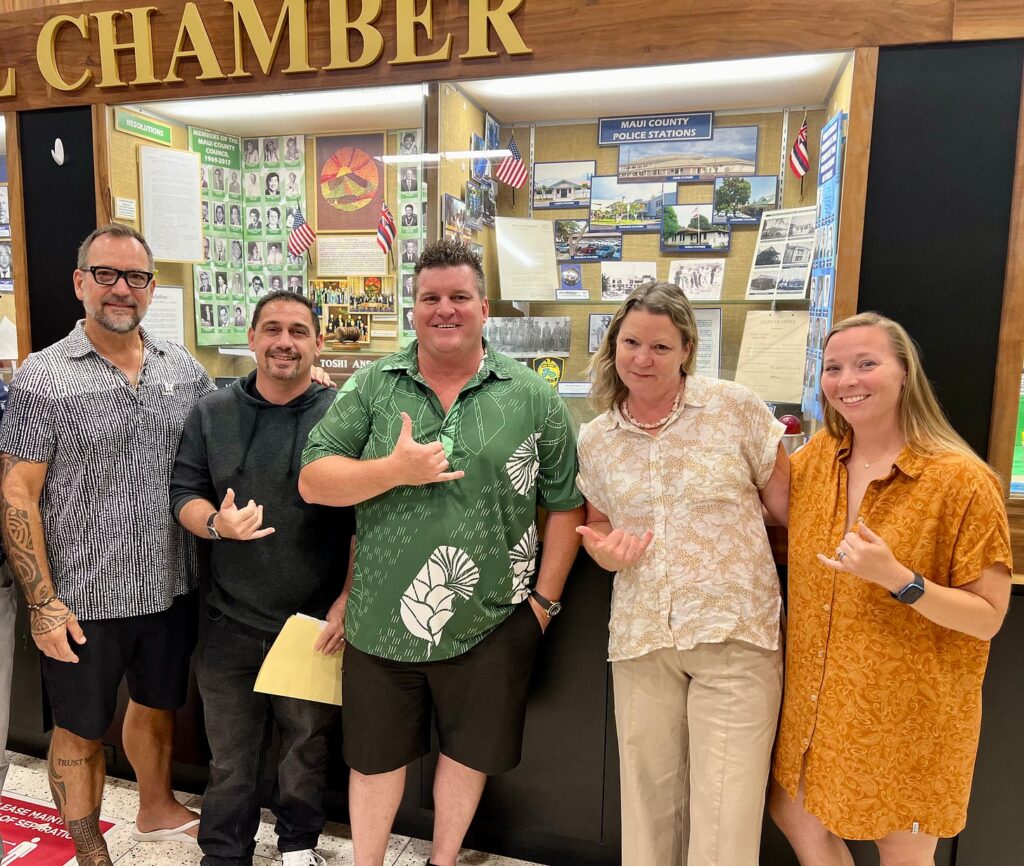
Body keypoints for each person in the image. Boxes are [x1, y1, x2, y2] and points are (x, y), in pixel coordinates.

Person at [298, 238, 584, 866]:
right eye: (431, 298)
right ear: (413, 310)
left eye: (459, 297)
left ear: (484, 308)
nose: (444, 309)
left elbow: (565, 505)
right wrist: (393, 470)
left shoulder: (532, 395)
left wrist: (543, 605)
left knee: (468, 756)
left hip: (494, 617)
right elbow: (314, 478)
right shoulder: (375, 383)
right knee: (373, 760)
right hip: (378, 618)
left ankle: (443, 859)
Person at [0, 224, 215, 863]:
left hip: (170, 584)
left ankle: (155, 805)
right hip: (80, 597)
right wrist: (42, 604)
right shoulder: (43, 378)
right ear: (79, 283)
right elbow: (17, 495)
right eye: (107, 275)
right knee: (78, 729)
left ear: (152, 287)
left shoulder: (184, 369)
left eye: (136, 277)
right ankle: (90, 844)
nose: (122, 290)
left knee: (155, 707)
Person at [768, 313, 1012, 866]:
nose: (847, 380)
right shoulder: (816, 460)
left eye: (866, 364)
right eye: (833, 368)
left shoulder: (961, 480)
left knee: (901, 850)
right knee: (795, 813)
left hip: (908, 709)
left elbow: (988, 616)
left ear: (905, 373)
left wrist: (900, 581)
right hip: (817, 699)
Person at [575, 281, 789, 866]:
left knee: (726, 816)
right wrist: (607, 555)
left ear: (688, 349)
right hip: (644, 636)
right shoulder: (597, 440)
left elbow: (788, 511)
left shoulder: (734, 408)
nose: (642, 359)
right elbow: (598, 529)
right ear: (613, 345)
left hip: (734, 634)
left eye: (660, 347)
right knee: (646, 808)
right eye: (630, 343)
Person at [170, 291, 352, 866]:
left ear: (318, 343)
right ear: (251, 339)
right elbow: (184, 494)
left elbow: (363, 521)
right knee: (230, 758)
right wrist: (216, 525)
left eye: (299, 331)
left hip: (311, 621)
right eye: (272, 329)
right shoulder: (212, 413)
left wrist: (347, 599)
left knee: (305, 748)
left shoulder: (344, 414)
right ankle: (224, 854)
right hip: (228, 619)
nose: (284, 342)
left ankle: (298, 847)